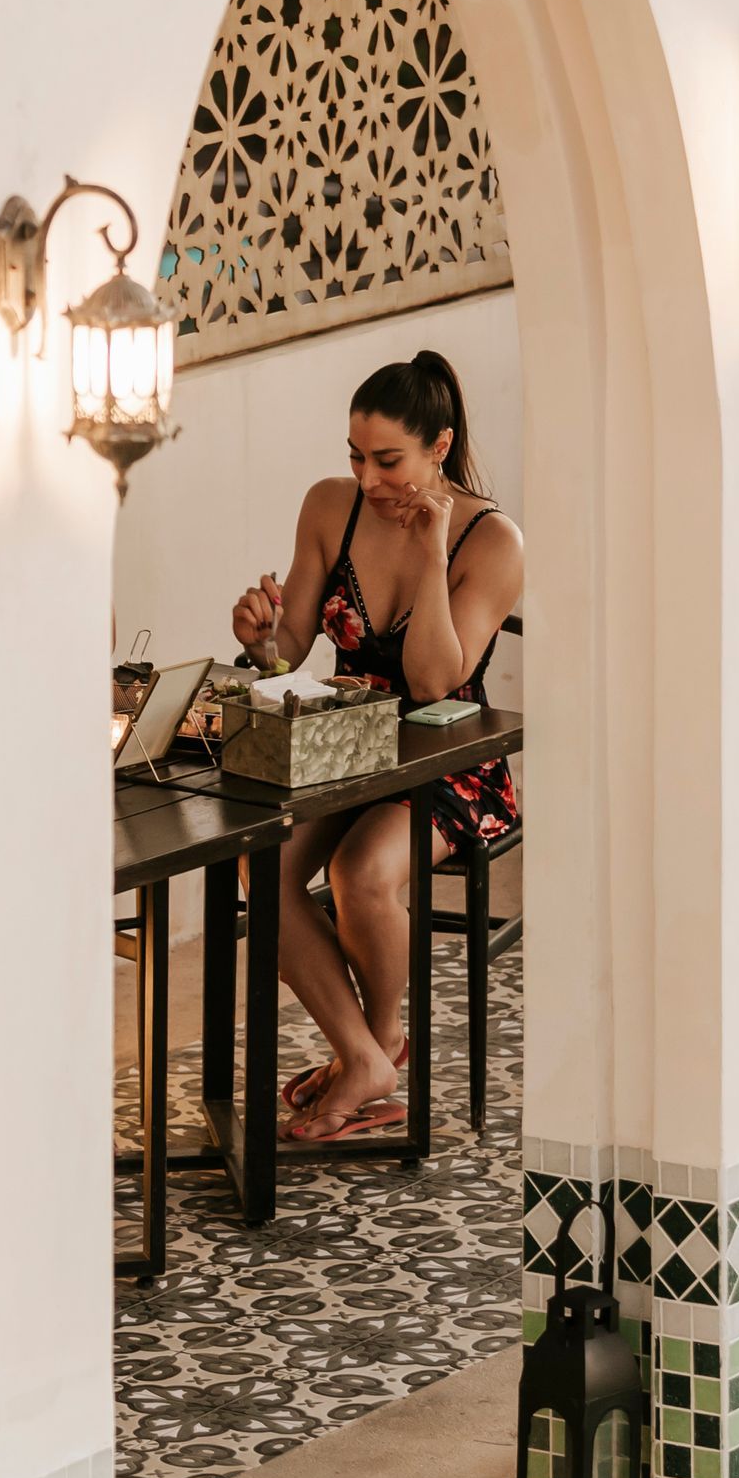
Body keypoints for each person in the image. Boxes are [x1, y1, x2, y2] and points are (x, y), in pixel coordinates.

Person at [230, 349, 523, 1146]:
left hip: (451, 761)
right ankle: (364, 1055)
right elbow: (291, 651)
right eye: (356, 457)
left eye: (388, 461)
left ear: (439, 446)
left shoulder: (494, 542)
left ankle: (383, 1040)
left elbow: (432, 681)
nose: (368, 479)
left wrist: (431, 554)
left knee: (359, 873)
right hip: (347, 749)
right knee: (262, 864)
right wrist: (261, 638)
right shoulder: (331, 507)